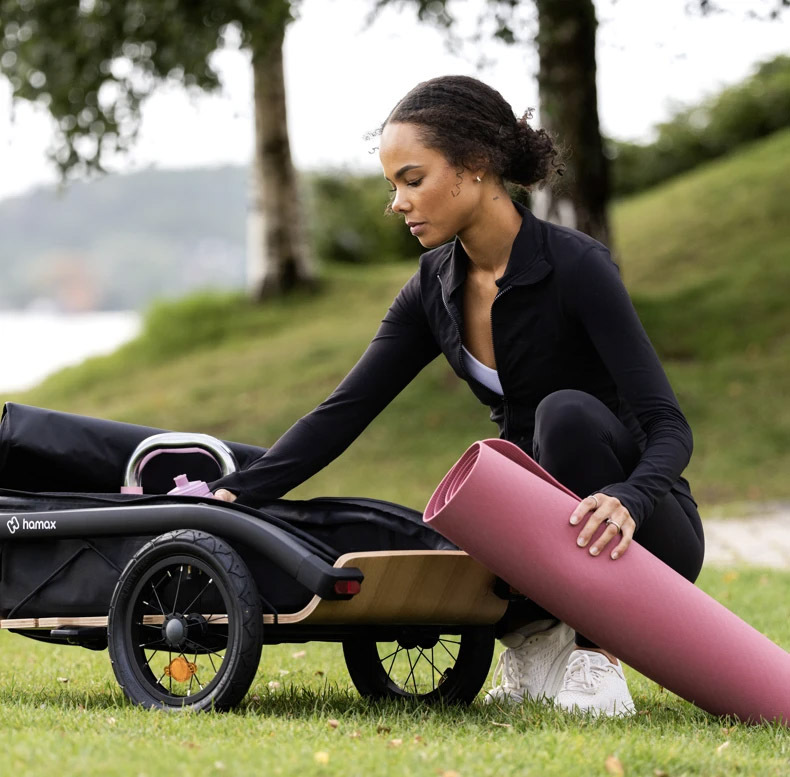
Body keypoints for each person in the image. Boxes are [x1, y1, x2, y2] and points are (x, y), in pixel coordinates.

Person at [210, 75, 705, 717]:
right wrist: (238, 491)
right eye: (393, 185)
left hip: (641, 530)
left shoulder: (576, 266)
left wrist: (630, 498)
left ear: (474, 167)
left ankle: (594, 657)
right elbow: (344, 411)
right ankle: (533, 639)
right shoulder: (433, 286)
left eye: (411, 180)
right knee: (472, 491)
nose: (397, 203)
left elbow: (668, 425)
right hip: (547, 532)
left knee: (565, 414)